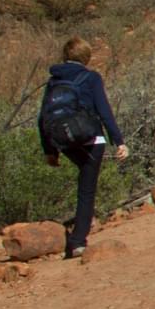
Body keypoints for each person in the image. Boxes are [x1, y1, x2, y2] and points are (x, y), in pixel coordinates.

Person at [37, 37, 127, 260]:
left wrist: (50, 151)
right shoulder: (91, 77)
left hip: (65, 142)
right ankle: (77, 242)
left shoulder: (53, 81)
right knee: (86, 190)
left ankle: (75, 237)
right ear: (86, 57)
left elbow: (43, 118)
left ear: (65, 55)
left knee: (84, 178)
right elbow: (104, 111)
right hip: (91, 140)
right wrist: (119, 141)